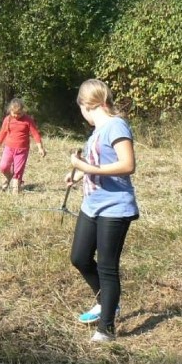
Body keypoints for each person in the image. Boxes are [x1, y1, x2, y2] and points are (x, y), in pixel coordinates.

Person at [66, 79, 139, 343]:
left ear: (87, 105)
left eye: (81, 109)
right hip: (92, 206)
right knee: (80, 257)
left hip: (115, 208)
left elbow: (127, 164)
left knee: (108, 267)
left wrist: (87, 169)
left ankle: (106, 329)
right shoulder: (96, 132)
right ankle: (105, 301)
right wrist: (77, 173)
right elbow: (98, 162)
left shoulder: (116, 125)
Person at [0, 97, 47, 194]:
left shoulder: (28, 120)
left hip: (22, 150)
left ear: (23, 110)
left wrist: (40, 148)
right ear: (10, 110)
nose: (16, 115)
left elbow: (35, 134)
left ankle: (15, 193)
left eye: (19, 113)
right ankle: (9, 177)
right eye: (14, 113)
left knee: (18, 171)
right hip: (9, 148)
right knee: (3, 166)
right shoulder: (7, 119)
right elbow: (2, 133)